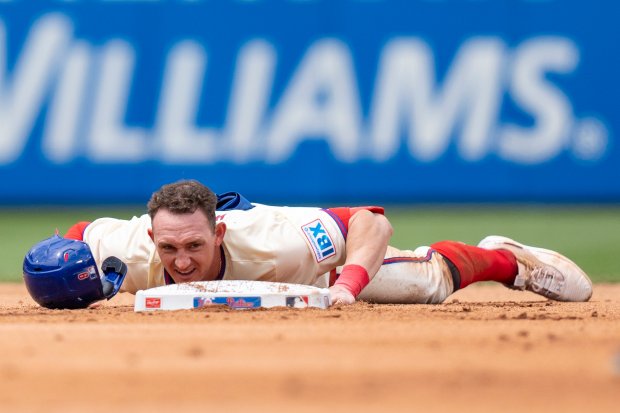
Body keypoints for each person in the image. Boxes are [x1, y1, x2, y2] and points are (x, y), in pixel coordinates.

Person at [26, 179, 593, 308]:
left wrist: (349, 282)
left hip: (309, 280)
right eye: (168, 247)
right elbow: (77, 236)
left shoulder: (280, 239)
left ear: (217, 231)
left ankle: (504, 258)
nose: (181, 261)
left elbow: (370, 220)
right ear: (151, 235)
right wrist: (69, 267)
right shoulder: (126, 247)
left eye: (195, 246)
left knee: (425, 284)